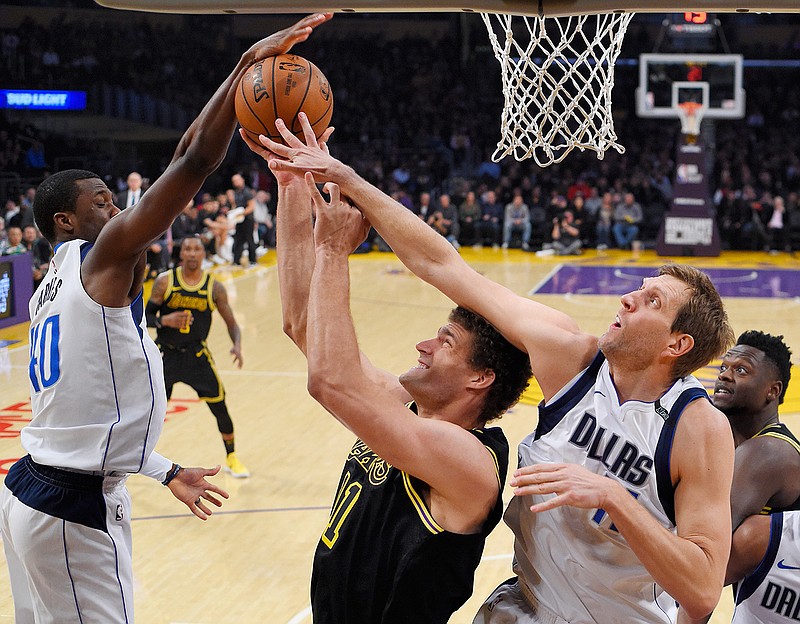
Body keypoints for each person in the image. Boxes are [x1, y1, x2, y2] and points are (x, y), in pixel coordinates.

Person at [260, 113, 737, 623]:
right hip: (524, 608)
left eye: (651, 302)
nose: (627, 298)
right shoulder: (571, 358)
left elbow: (703, 591)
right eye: (637, 289)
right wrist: (340, 178)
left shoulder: (698, 428)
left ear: (677, 344)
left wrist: (614, 498)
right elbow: (445, 266)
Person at [0, 14, 331, 623]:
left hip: (35, 485)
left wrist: (162, 467)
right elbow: (193, 163)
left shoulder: (56, 279)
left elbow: (83, 420)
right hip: (71, 508)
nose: (118, 206)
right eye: (100, 201)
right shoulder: (105, 257)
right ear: (65, 223)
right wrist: (243, 72)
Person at [249, 119, 531, 623]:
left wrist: (335, 250)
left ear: (479, 377)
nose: (423, 346)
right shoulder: (406, 410)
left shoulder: (469, 461)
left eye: (445, 342)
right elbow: (300, 324)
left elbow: (329, 381)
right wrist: (292, 183)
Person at [679, 330, 800, 623]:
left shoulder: (766, 453)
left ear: (773, 391)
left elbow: (707, 562)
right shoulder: (749, 447)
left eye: (741, 370)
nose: (725, 376)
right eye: (723, 368)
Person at [146, 236, 250, 478]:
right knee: (151, 412)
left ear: (204, 254)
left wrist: (237, 345)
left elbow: (233, 324)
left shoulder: (214, 287)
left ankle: (232, 457)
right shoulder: (165, 282)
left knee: (220, 406)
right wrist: (164, 320)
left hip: (197, 356)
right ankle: (134, 459)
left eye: (197, 249)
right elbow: (143, 317)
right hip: (166, 354)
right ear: (181, 254)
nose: (192, 253)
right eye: (187, 249)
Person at [229, 172, 257, 267]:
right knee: (238, 239)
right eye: (234, 181)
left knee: (249, 239)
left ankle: (253, 261)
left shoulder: (247, 192)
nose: (236, 182)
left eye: (237, 180)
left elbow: (251, 206)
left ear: (242, 180)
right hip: (239, 219)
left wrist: (241, 213)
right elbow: (235, 205)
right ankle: (236, 260)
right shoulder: (236, 193)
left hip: (248, 219)